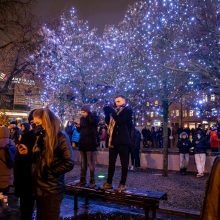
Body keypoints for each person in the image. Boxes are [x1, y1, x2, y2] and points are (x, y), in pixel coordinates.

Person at [32, 108, 74, 220]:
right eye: (35, 124)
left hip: (52, 189)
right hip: (39, 187)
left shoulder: (60, 137)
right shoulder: (41, 136)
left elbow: (69, 162)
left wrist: (51, 172)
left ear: (46, 121)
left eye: (38, 123)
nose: (36, 126)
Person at [102, 95, 133, 192]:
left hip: (123, 141)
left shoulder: (128, 110)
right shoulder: (114, 111)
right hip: (113, 141)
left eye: (119, 101)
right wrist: (107, 114)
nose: (116, 103)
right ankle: (109, 182)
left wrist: (112, 112)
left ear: (124, 101)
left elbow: (121, 121)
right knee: (111, 163)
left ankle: (122, 184)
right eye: (115, 101)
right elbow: (108, 123)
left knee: (124, 164)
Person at [14, 111, 36, 220]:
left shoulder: (34, 137)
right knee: (26, 210)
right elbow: (18, 162)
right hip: (27, 181)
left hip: (29, 181)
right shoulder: (28, 137)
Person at [77, 105, 98, 188]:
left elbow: (93, 123)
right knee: (83, 164)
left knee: (91, 163)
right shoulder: (82, 119)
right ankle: (82, 180)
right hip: (82, 143)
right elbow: (81, 130)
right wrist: (78, 127)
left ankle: (92, 181)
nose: (82, 114)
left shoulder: (93, 117)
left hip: (90, 144)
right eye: (81, 112)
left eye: (84, 112)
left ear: (87, 111)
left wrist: (88, 115)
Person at [0, 126, 16, 194]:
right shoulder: (12, 142)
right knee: (5, 194)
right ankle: (5, 204)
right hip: (10, 172)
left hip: (0, 173)